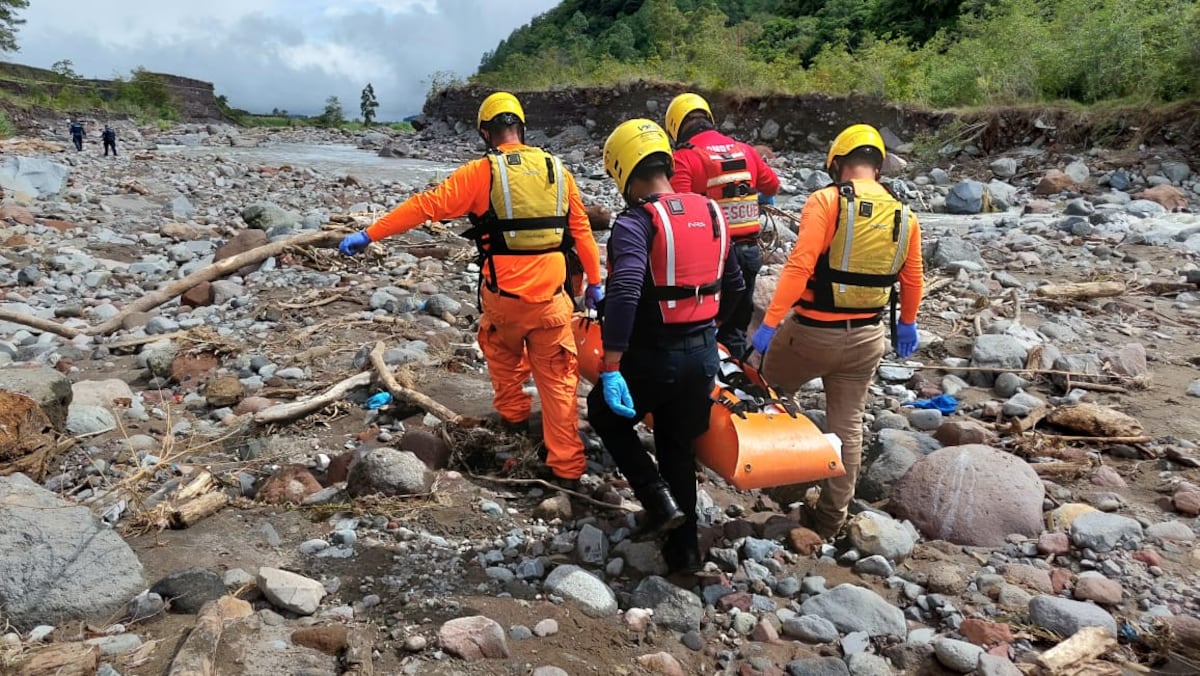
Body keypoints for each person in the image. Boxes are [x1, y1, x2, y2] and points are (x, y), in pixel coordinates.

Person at [338, 92, 604, 488]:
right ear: (521, 127)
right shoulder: (557, 170)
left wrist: (369, 234)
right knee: (560, 385)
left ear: (485, 131)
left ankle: (514, 426)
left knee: (501, 355)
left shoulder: (482, 172)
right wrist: (596, 283)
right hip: (552, 302)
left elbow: (425, 206)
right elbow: (581, 231)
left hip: (504, 301)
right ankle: (567, 472)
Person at [750, 123, 924, 539]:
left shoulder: (827, 201)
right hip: (867, 339)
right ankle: (831, 519)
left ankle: (772, 482)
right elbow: (913, 279)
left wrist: (770, 323)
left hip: (810, 333)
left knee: (763, 391)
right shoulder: (905, 215)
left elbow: (799, 267)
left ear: (837, 164)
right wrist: (907, 323)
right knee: (847, 425)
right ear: (878, 168)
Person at [588, 119, 743, 574]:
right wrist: (709, 327)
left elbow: (626, 290)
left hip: (652, 355)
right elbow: (735, 285)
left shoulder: (636, 223)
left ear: (623, 171)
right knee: (677, 445)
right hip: (701, 354)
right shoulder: (712, 212)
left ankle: (657, 502)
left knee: (604, 414)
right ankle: (685, 555)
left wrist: (612, 362)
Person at [664, 93, 779, 357]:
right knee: (736, 330)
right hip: (749, 253)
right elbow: (771, 185)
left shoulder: (684, 157)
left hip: (713, 260)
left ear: (676, 126)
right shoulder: (745, 149)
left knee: (704, 327)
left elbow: (677, 211)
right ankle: (737, 385)